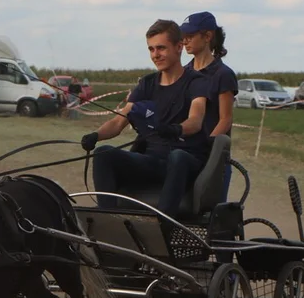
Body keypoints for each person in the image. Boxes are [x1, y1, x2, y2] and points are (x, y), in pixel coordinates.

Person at [80, 19, 210, 218]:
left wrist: (176, 129)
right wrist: (96, 136)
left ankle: (162, 225)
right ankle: (108, 220)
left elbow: (196, 120)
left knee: (177, 157)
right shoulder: (147, 84)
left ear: (179, 47)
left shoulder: (196, 82)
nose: (155, 55)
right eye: (151, 49)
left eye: (161, 48)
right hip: (154, 162)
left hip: (186, 162)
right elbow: (118, 122)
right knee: (104, 153)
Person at [182, 11, 238, 199]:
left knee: (211, 216)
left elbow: (226, 119)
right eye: (183, 37)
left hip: (213, 160)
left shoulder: (222, 74)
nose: (185, 42)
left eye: (190, 36)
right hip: (186, 156)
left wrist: (208, 149)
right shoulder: (184, 73)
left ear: (207, 36)